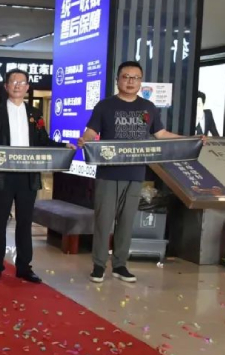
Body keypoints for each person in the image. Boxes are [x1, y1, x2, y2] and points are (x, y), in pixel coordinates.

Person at [78, 61, 202, 283]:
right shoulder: (105, 106)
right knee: (103, 222)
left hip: (135, 173)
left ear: (140, 81)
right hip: (108, 173)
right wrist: (84, 140)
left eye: (135, 78)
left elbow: (161, 134)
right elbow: (91, 131)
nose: (130, 81)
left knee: (127, 222)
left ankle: (120, 265)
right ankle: (98, 266)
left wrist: (191, 139)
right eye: (126, 77)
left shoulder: (148, 107)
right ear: (118, 80)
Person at [0, 69, 74, 283]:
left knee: (25, 223)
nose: (17, 85)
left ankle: (24, 267)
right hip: (3, 176)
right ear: (6, 86)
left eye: (22, 82)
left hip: (27, 176)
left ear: (27, 87)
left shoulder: (35, 114)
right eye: (13, 82)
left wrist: (63, 146)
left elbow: (42, 141)